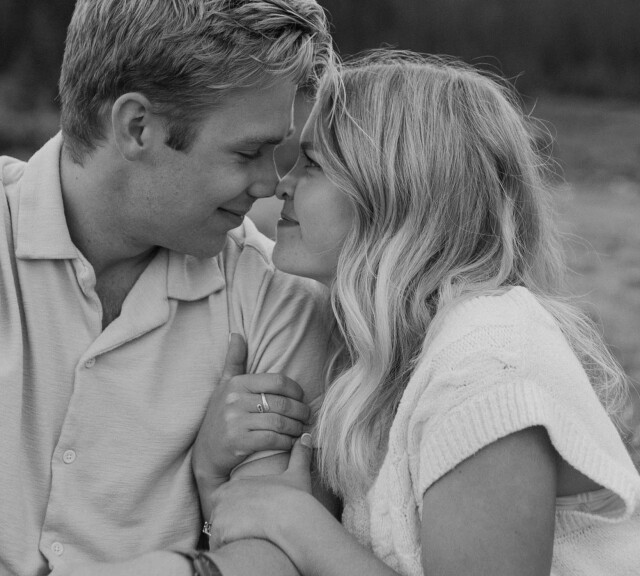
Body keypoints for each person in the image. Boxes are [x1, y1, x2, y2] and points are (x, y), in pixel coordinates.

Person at [205, 52, 640, 576]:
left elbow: (300, 538)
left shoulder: (487, 363)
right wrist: (213, 474)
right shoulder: (373, 352)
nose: (282, 184)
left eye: (313, 164)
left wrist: (297, 523)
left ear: (396, 189)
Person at [0, 1, 334, 575]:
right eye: (248, 152)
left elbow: (279, 551)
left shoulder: (278, 301)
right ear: (137, 127)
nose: (269, 183)